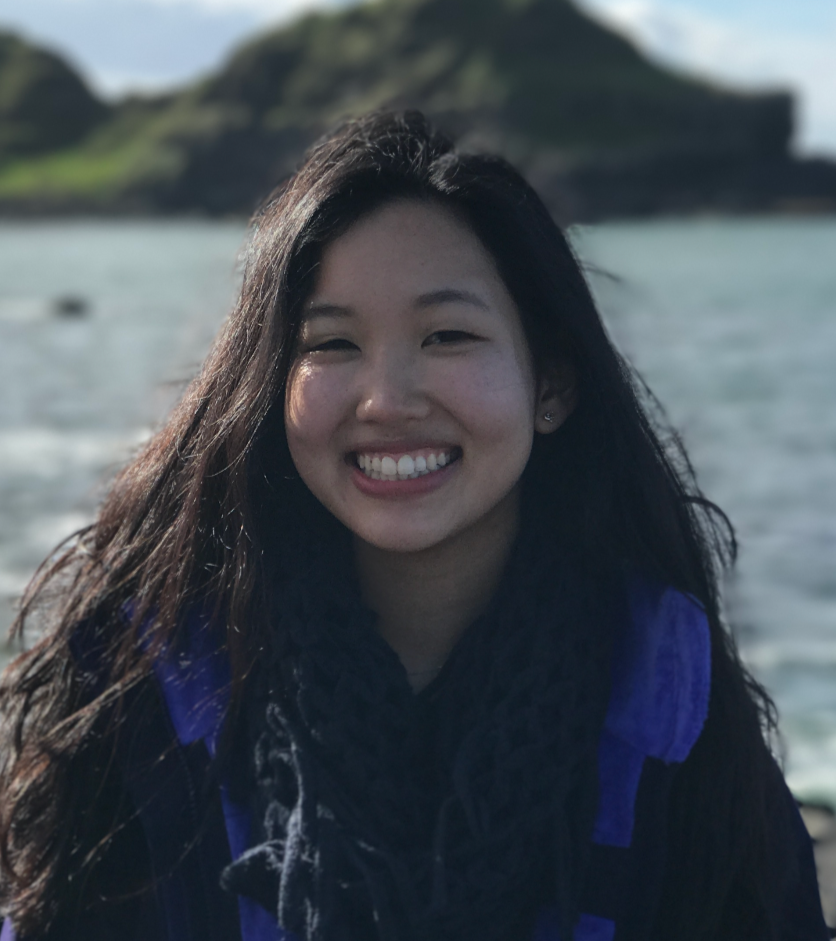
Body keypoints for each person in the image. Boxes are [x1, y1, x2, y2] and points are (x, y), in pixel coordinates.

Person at [0, 110, 828, 941]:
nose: (387, 399)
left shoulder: (664, 692)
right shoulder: (158, 678)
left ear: (551, 383)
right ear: (270, 383)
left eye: (447, 335)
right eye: (332, 344)